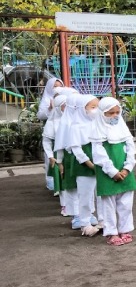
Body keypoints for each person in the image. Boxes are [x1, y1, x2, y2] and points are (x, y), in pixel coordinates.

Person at [91, 98, 136, 246]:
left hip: (126, 172)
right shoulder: (97, 131)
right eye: (110, 113)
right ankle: (111, 232)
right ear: (102, 113)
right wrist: (112, 171)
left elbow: (131, 149)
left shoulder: (123, 129)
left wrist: (127, 168)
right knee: (108, 205)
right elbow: (99, 155)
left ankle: (125, 229)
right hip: (107, 173)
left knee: (126, 203)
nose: (115, 116)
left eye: (117, 112)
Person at [68, 94, 102, 237]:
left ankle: (103, 220)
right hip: (84, 165)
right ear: (83, 109)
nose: (96, 110)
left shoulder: (99, 123)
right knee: (85, 195)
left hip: (99, 161)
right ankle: (85, 223)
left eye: (98, 107)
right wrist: (88, 163)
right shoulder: (76, 126)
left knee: (101, 194)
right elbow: (76, 148)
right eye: (93, 107)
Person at [54, 91, 81, 226]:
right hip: (69, 159)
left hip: (85, 158)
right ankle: (76, 215)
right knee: (71, 187)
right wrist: (59, 163)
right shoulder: (64, 123)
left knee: (86, 187)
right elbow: (59, 145)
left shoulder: (84, 120)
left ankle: (88, 213)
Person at [43, 94, 67, 212]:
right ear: (57, 107)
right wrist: (50, 156)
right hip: (57, 154)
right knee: (61, 179)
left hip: (70, 153)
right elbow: (47, 141)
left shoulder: (71, 119)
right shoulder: (52, 123)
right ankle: (65, 205)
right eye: (64, 106)